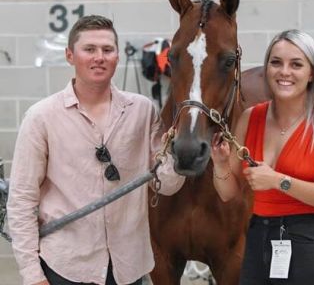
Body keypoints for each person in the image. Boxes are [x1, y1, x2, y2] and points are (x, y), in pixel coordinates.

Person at [7, 15, 185, 285]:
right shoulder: (41, 117)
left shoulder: (142, 110)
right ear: (70, 55)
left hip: (127, 268)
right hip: (65, 268)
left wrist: (182, 149)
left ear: (117, 57)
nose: (99, 57)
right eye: (89, 49)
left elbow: (168, 185)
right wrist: (32, 275)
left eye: (107, 49)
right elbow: (21, 201)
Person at [211, 29, 314, 285]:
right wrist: (220, 164)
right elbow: (227, 192)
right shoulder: (250, 118)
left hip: (309, 243)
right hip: (258, 240)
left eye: (296, 64)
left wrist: (278, 181)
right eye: (276, 62)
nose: (284, 71)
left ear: (311, 73)